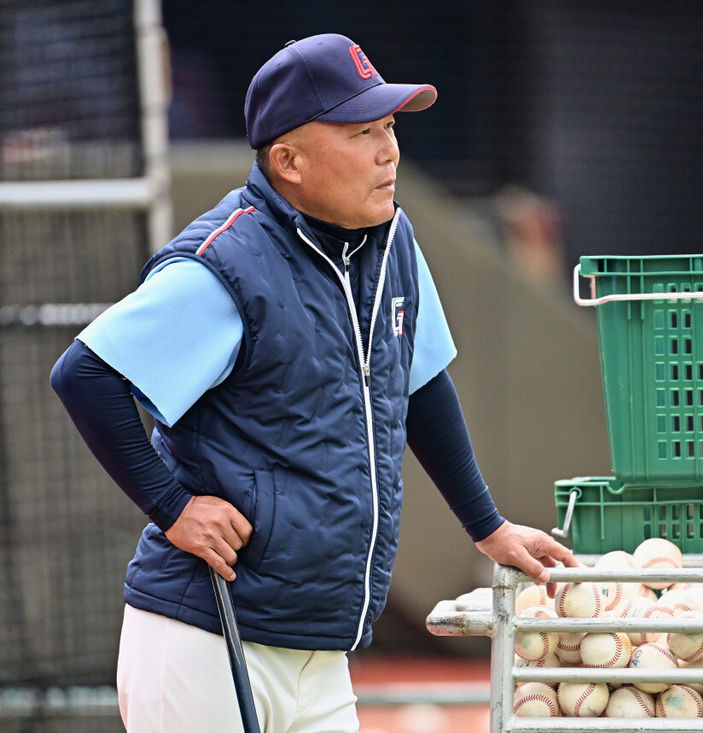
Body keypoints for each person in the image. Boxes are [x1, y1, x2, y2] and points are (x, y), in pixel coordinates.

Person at [49, 33, 577, 733]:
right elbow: (84, 374)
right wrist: (172, 506)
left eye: (389, 126)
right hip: (208, 633)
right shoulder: (228, 261)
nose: (389, 150)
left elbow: (420, 387)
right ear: (287, 160)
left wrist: (487, 525)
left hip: (320, 651)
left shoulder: (392, 240)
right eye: (361, 132)